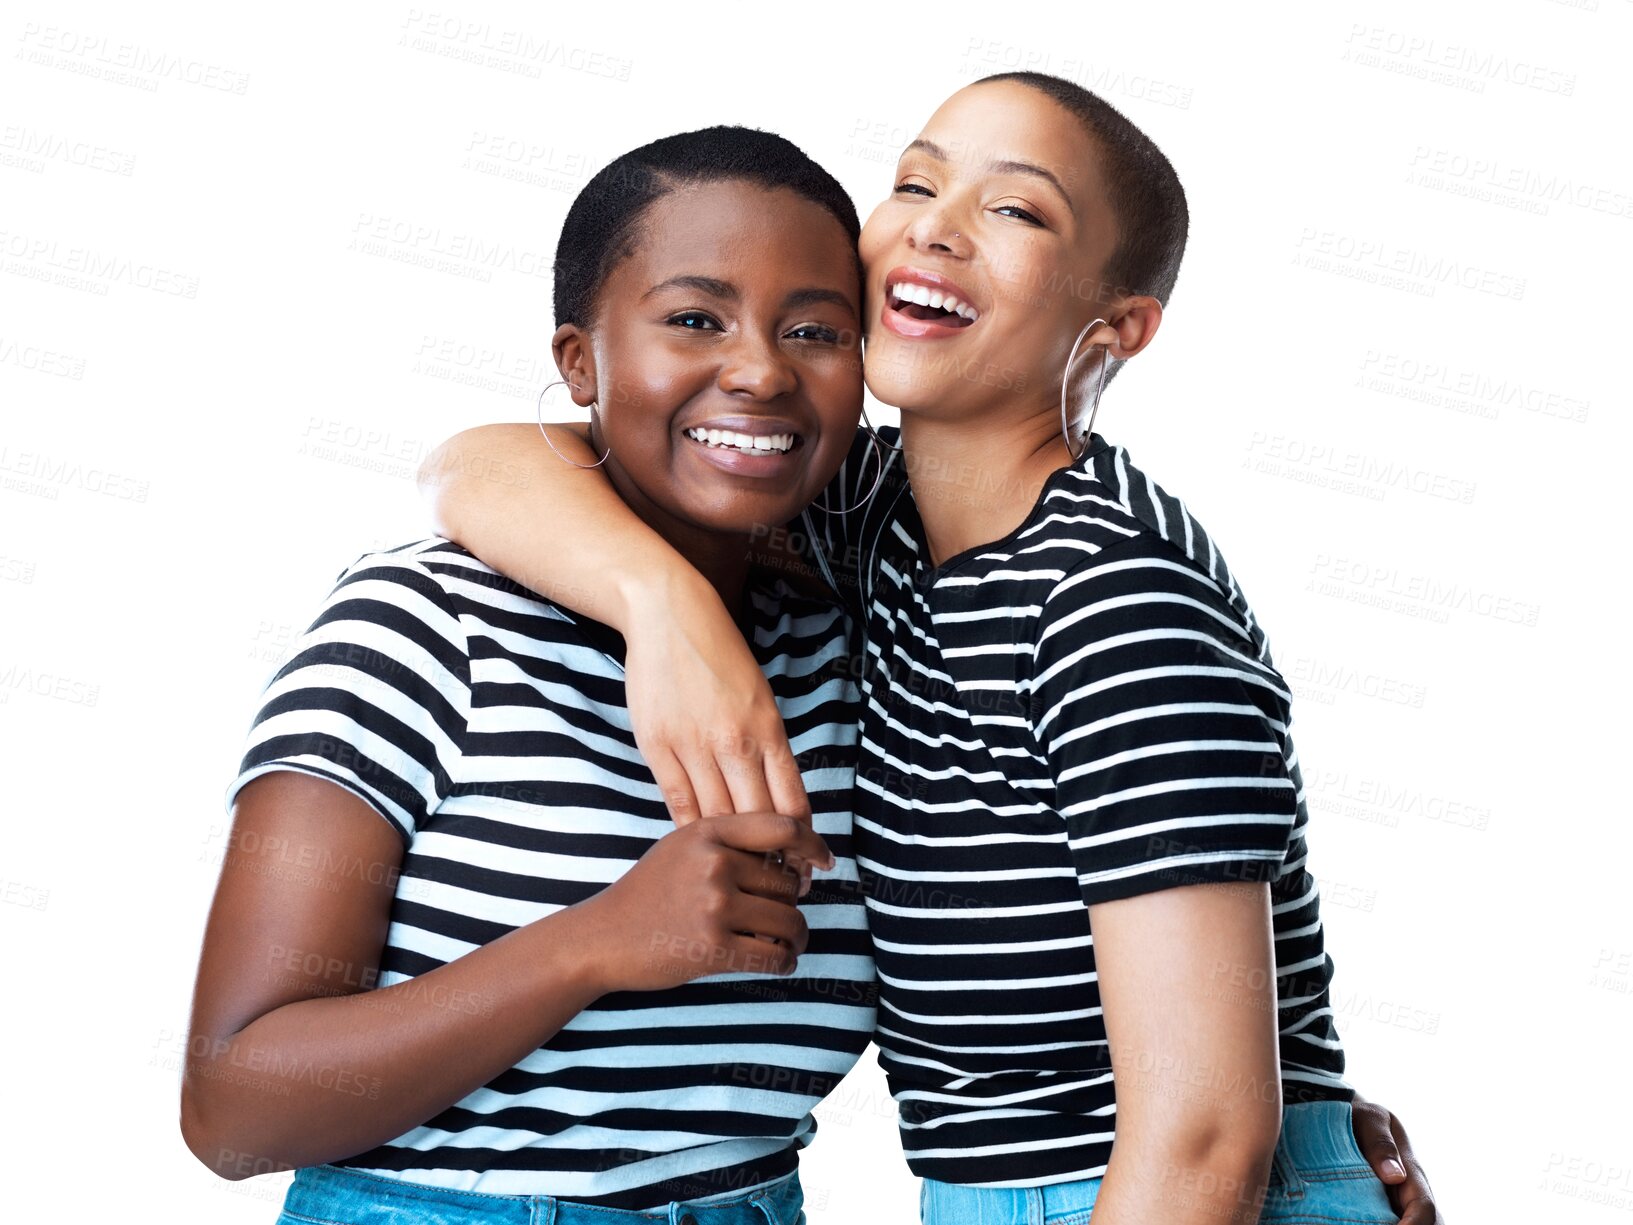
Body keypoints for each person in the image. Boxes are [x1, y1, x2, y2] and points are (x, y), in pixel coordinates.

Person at [418, 75, 1441, 1225]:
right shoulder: (875, 513)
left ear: (1115, 329)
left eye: (1017, 211)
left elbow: (1205, 1136)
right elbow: (480, 462)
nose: (937, 224)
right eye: (915, 180)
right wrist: (666, 608)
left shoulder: (1111, 595)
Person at [180, 126, 879, 1225]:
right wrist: (593, 944)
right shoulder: (423, 627)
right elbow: (232, 1107)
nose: (760, 368)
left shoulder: (843, 651)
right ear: (579, 362)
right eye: (694, 318)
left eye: (815, 329)